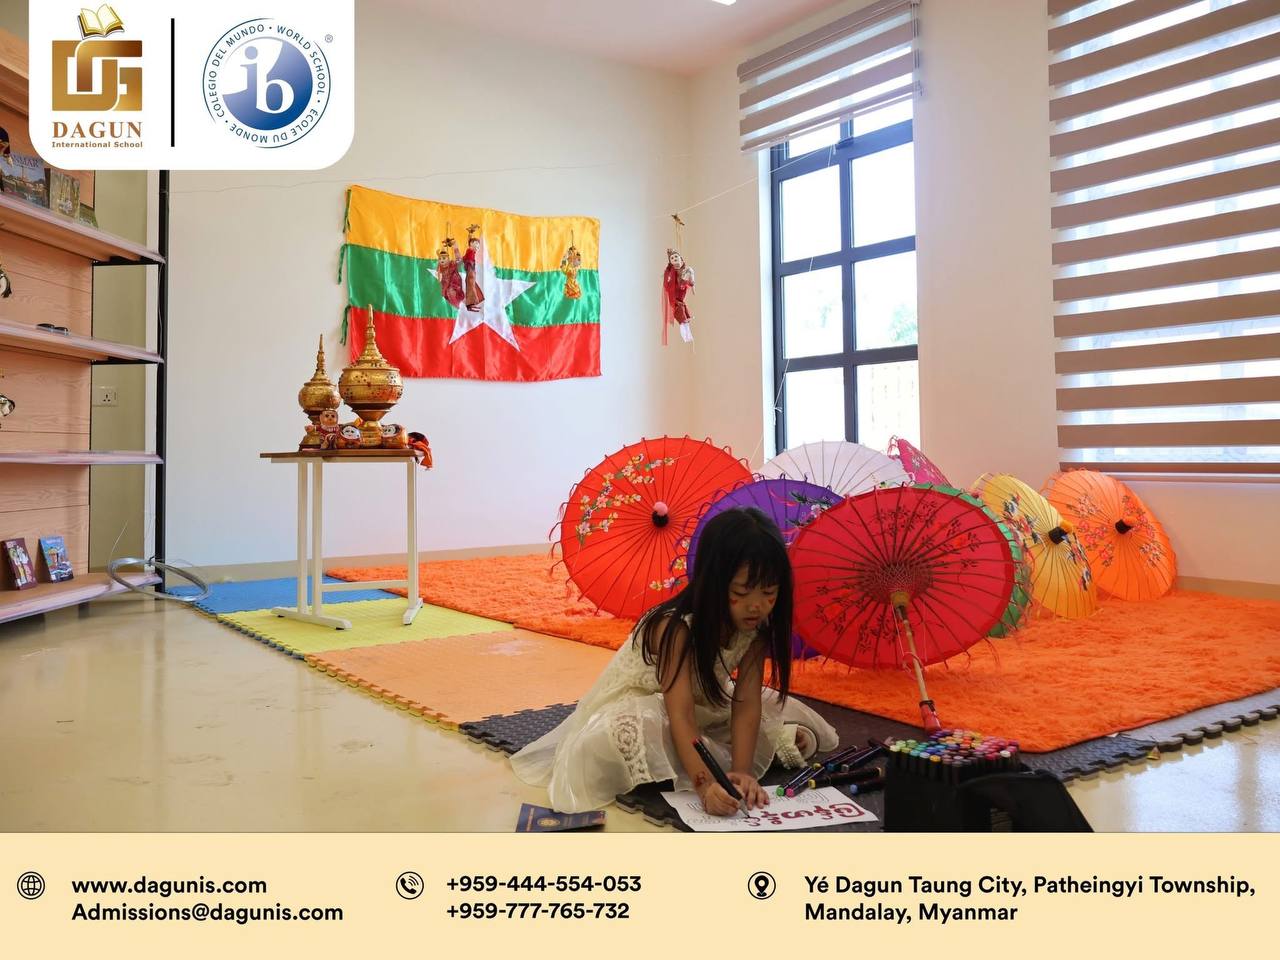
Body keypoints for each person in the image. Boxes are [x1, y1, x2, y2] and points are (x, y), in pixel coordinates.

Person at [511, 507, 837, 815]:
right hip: (646, 704)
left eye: (769, 593)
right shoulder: (676, 627)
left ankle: (731, 750)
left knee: (770, 706)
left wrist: (742, 772)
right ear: (713, 582)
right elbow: (679, 712)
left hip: (702, 703)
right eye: (741, 592)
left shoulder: (756, 627)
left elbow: (747, 703)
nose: (757, 606)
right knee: (639, 727)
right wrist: (705, 786)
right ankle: (722, 753)